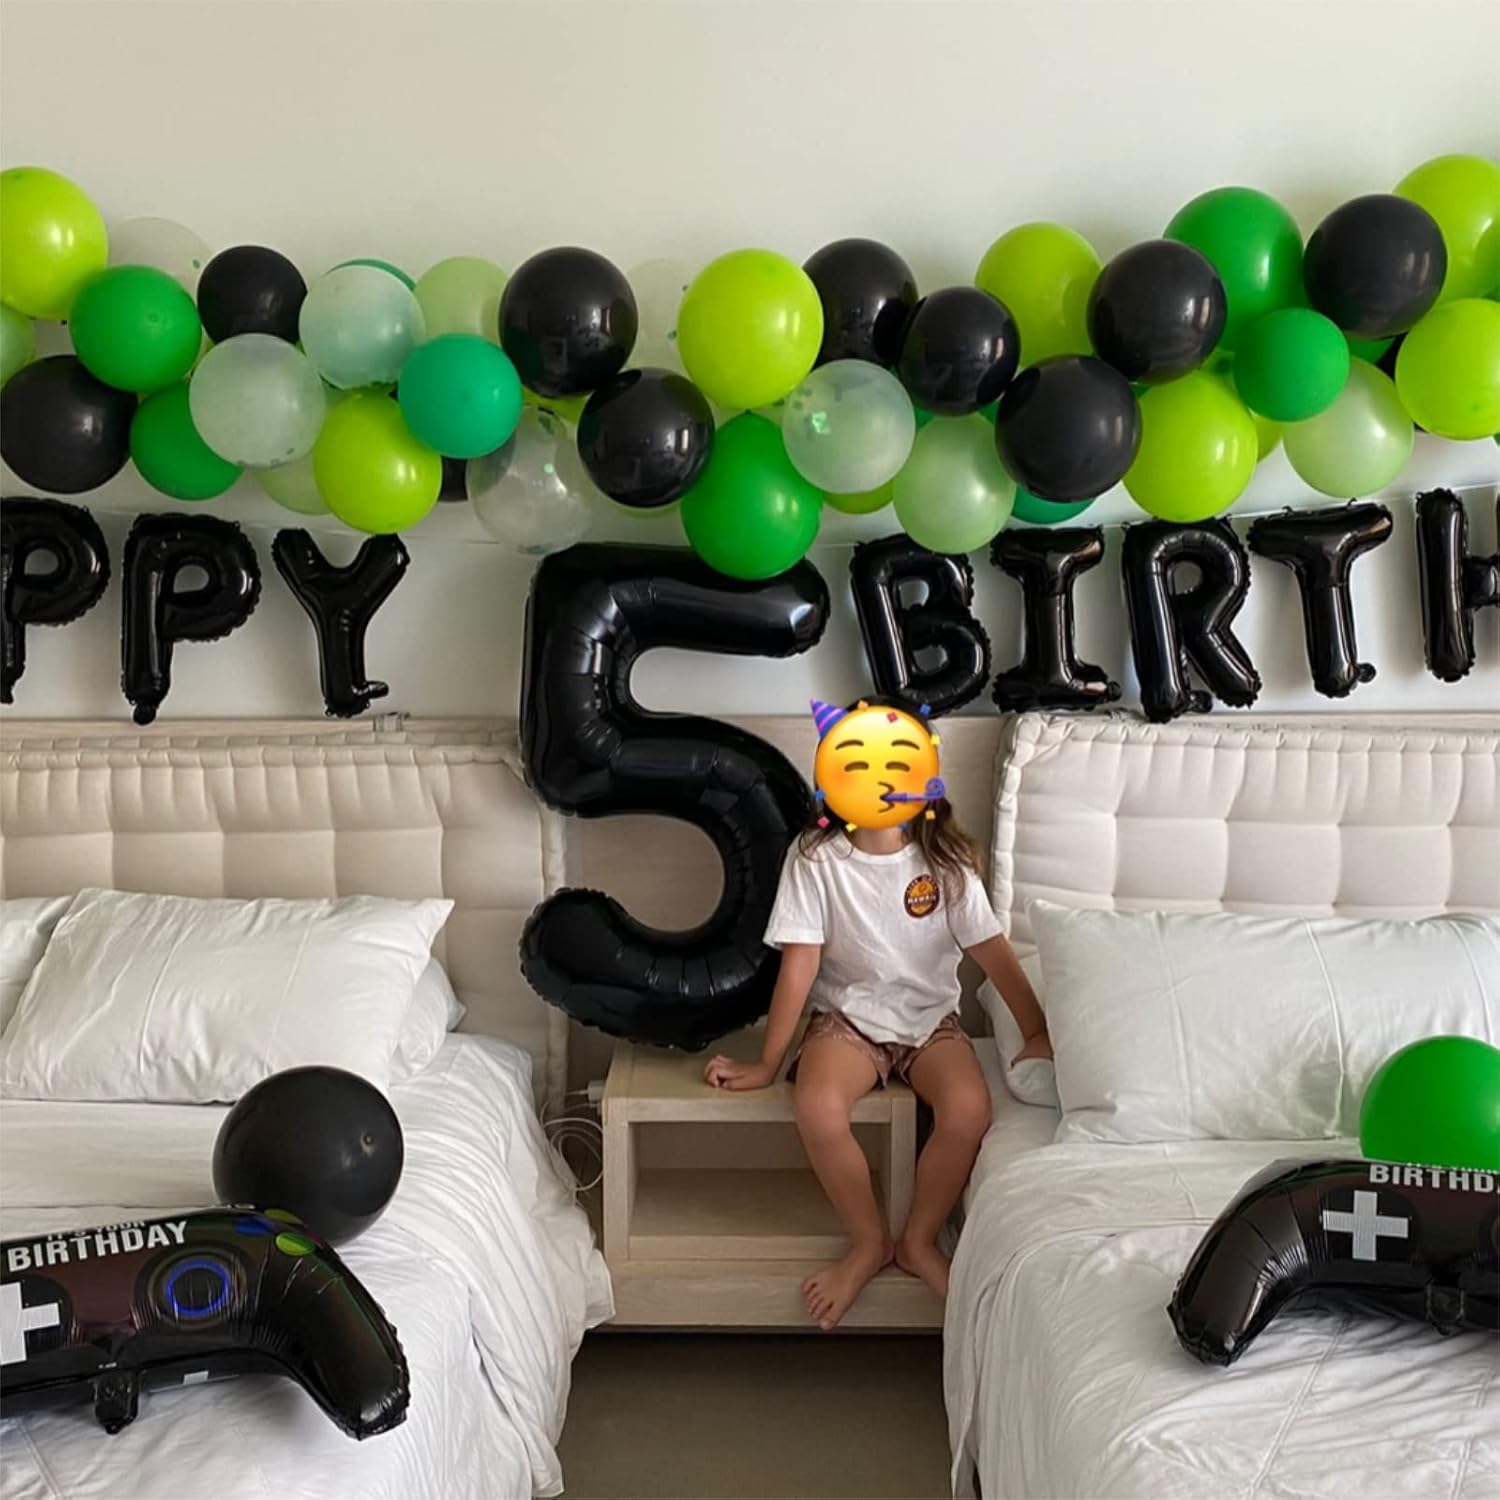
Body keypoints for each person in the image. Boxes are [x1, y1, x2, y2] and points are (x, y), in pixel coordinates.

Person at [705, 697, 1049, 1331]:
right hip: (846, 1022)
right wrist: (767, 1063)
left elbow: (992, 951)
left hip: (930, 1023)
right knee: (817, 1106)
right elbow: (800, 966)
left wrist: (1036, 1030)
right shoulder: (816, 857)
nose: (880, 782)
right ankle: (867, 1241)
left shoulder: (947, 862)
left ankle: (918, 1240)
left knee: (968, 1108)